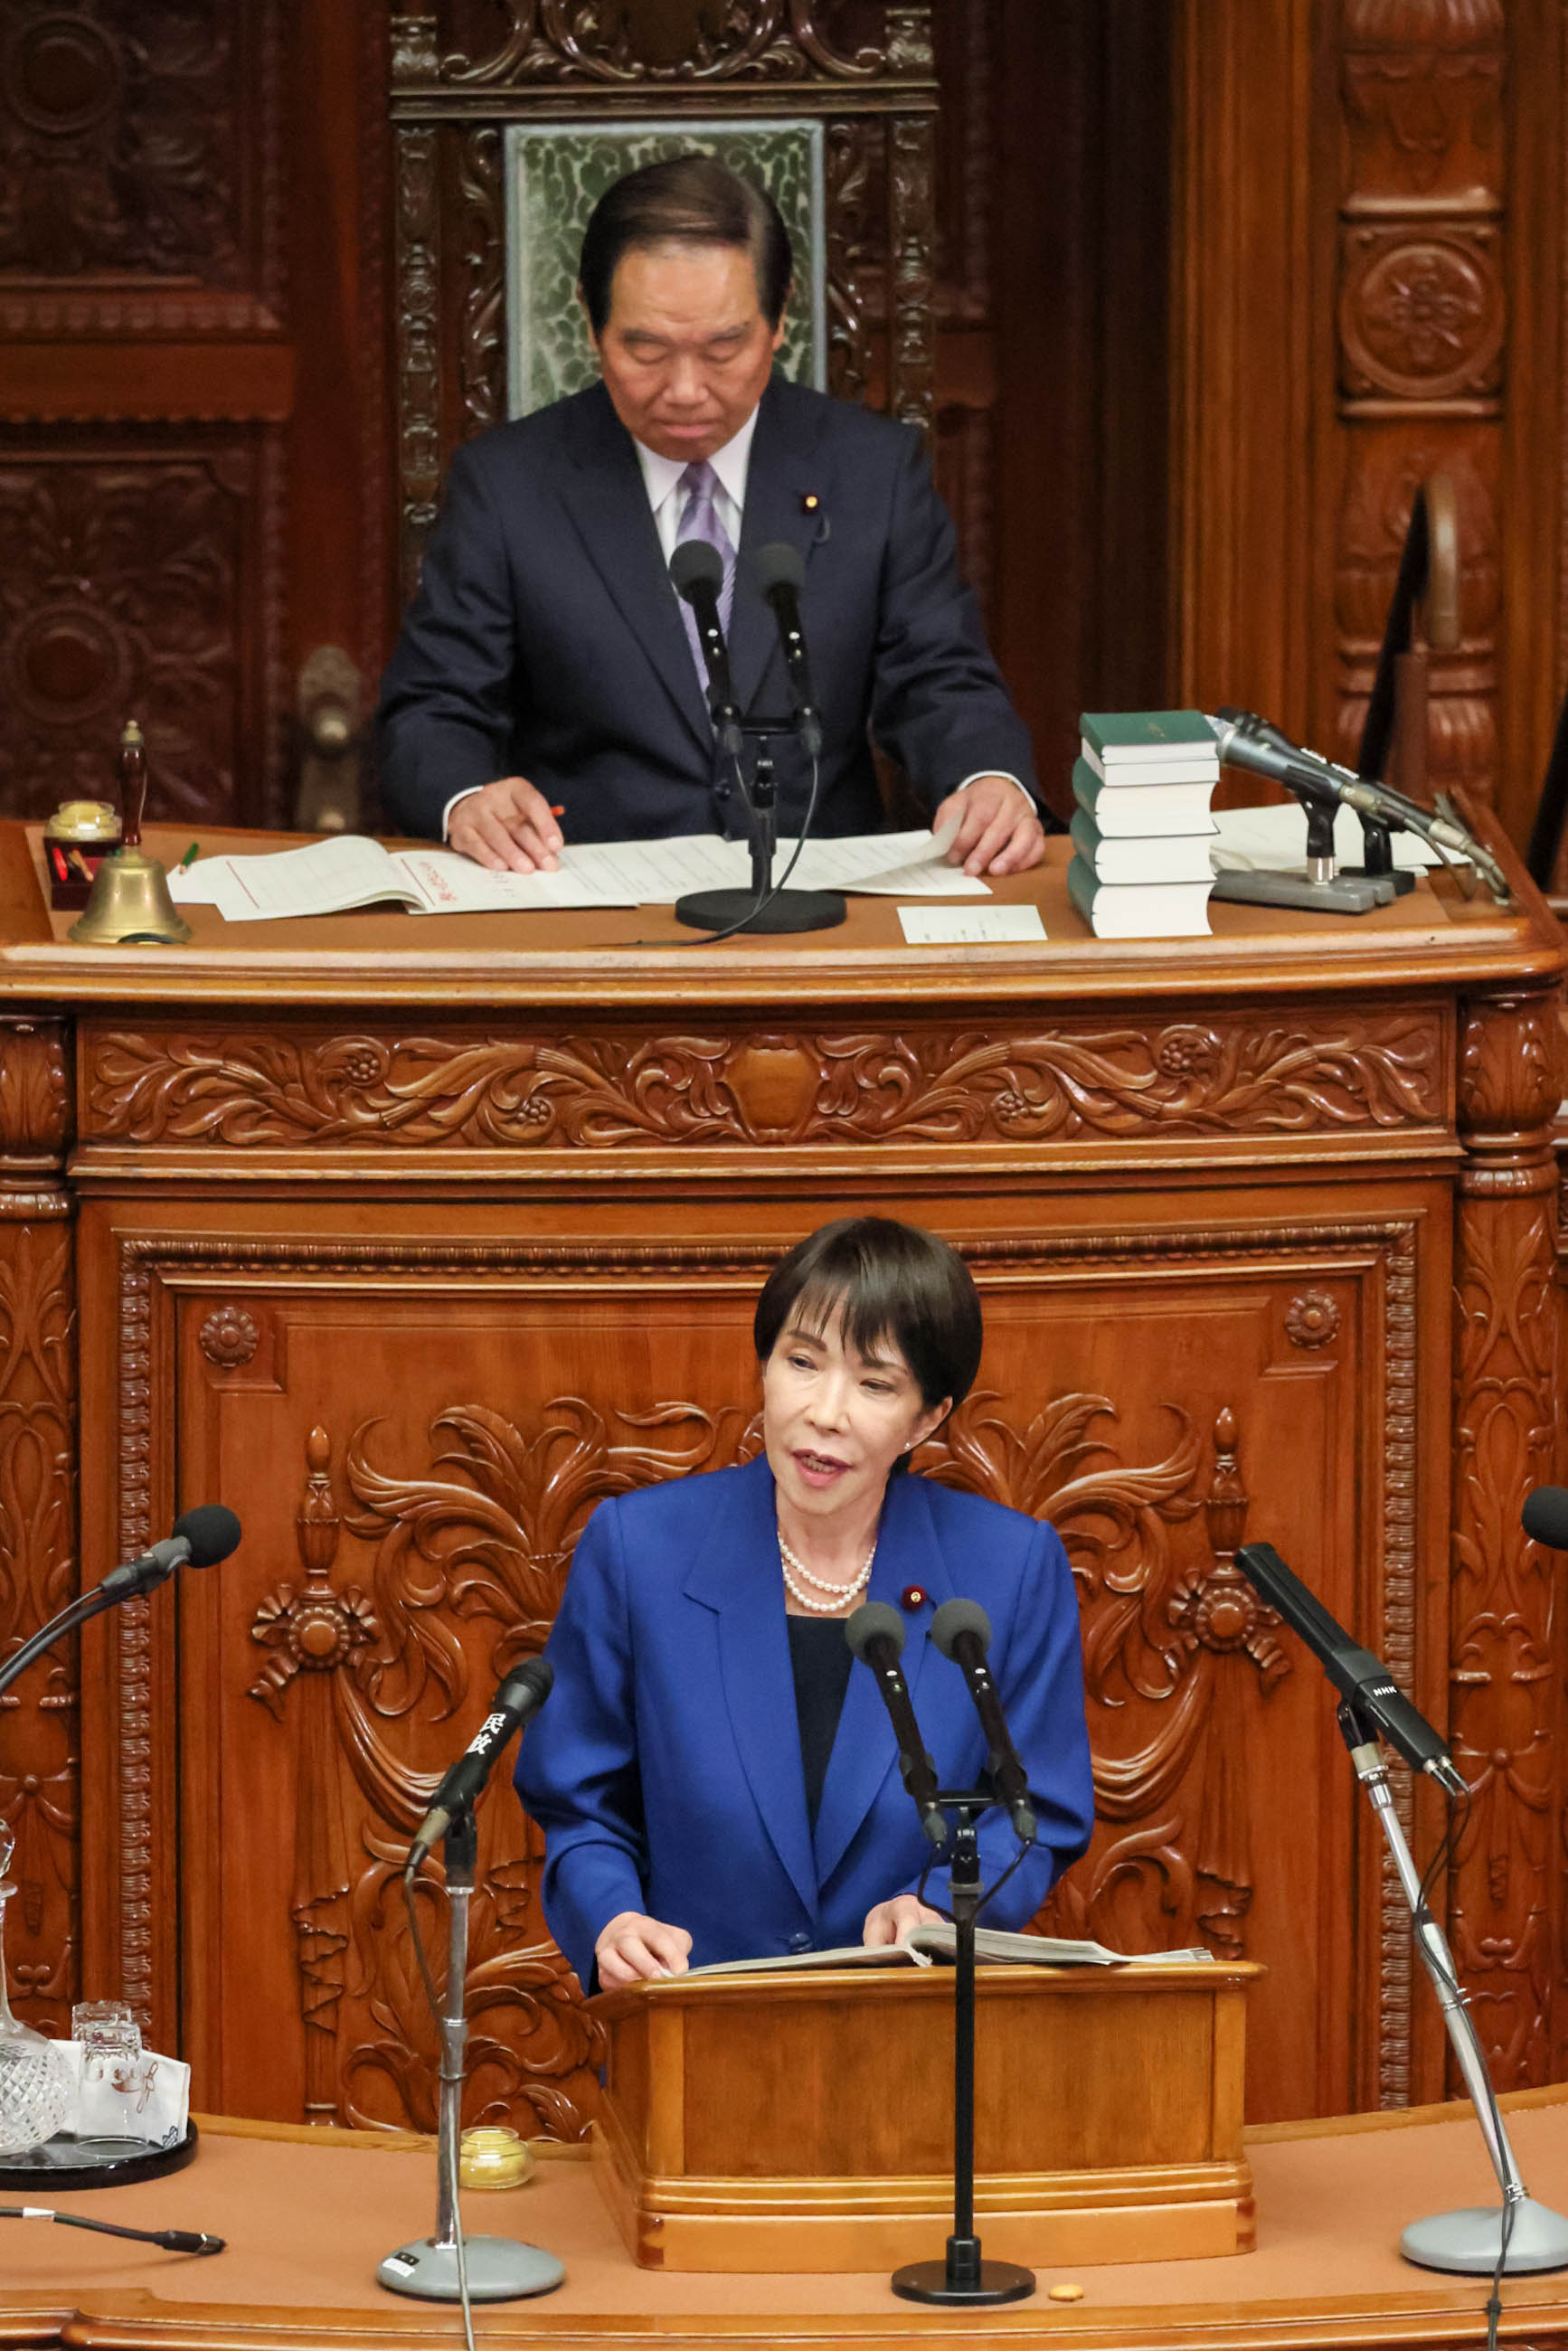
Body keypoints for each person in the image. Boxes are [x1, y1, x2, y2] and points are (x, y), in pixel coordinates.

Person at [376, 156, 1047, 882]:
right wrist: (469, 797)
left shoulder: (872, 471)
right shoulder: (509, 486)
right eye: (647, 349)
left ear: (781, 316)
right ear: (590, 320)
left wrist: (988, 779)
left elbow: (940, 677)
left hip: (825, 912)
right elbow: (431, 710)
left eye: (724, 348)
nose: (686, 391)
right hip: (593, 909)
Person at [515, 1216, 1092, 1992]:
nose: (825, 1411)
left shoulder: (1008, 1567)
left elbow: (1040, 1810)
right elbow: (579, 1802)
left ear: (928, 1417)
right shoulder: (640, 1549)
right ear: (764, 1367)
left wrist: (944, 1908)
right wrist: (613, 1920)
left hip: (908, 2037)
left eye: (875, 1383)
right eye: (802, 1361)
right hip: (692, 2028)